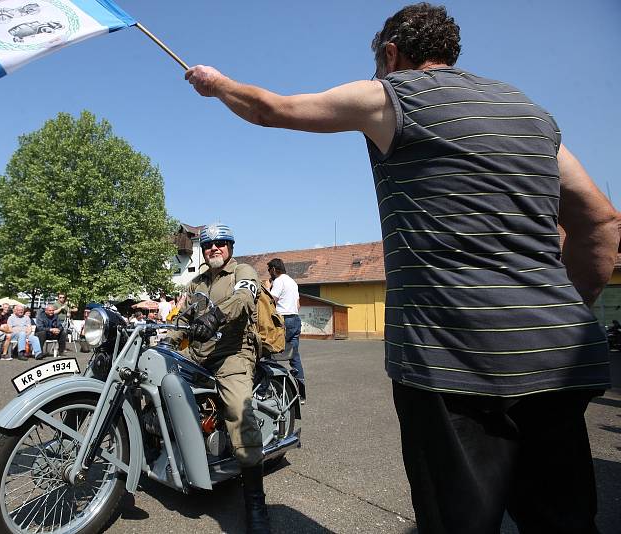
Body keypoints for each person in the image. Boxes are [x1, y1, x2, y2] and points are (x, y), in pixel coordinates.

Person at [184, 4, 619, 532]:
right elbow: (600, 222)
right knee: (563, 521)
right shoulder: (529, 112)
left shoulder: (393, 94)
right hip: (558, 354)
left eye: (377, 64)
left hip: (451, 360)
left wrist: (215, 82)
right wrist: (563, 309)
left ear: (392, 54)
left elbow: (272, 109)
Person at [167, 223, 271, 533]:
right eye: (209, 243)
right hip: (198, 354)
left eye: (222, 242)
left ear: (231, 247)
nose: (215, 247)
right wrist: (165, 342)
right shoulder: (196, 283)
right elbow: (183, 320)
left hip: (233, 355)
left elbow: (244, 300)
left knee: (239, 412)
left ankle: (255, 503)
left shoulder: (244, 272)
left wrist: (216, 316)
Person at [266, 258, 304, 400]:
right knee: (294, 356)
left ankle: (271, 390)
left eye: (269, 270)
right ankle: (301, 395)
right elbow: (298, 305)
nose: (269, 273)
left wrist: (267, 287)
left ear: (274, 269)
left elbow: (271, 302)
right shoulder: (292, 282)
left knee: (270, 353)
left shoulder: (278, 281)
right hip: (295, 319)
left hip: (283, 321)